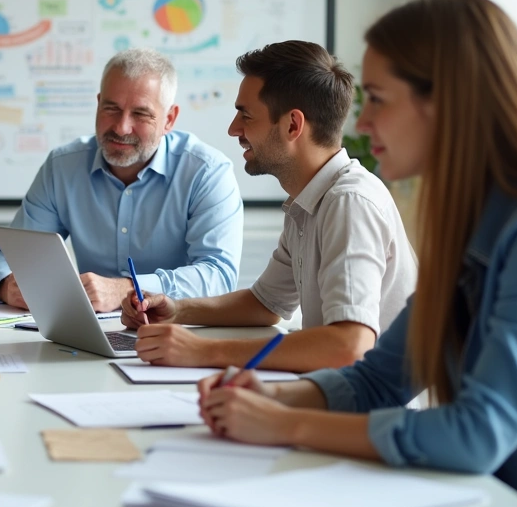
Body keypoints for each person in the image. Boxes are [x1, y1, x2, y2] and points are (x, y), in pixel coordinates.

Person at [197, 0, 517, 507]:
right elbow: (380, 380)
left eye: (378, 99)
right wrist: (278, 397)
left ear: (448, 103)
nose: (363, 123)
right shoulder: (474, 225)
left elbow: (477, 434)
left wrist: (283, 424)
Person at [122, 41, 418, 372]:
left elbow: (349, 346)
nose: (233, 129)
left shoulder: (349, 203)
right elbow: (266, 303)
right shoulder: (310, 200)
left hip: (372, 404)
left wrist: (203, 351)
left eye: (246, 115)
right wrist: (177, 310)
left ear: (292, 125)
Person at [0, 47, 244, 312]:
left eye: (140, 114)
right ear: (98, 104)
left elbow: (218, 276)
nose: (121, 127)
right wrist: (6, 286)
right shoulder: (62, 167)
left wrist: (129, 289)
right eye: (111, 108)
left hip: (177, 328)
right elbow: (5, 258)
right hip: (87, 329)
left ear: (169, 119)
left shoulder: (207, 172)